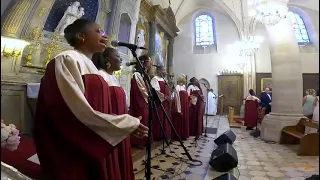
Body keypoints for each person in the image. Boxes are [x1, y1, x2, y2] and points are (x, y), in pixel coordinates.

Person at [34, 19, 148, 180]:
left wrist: (120, 125)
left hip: (93, 136)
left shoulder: (91, 66)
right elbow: (72, 109)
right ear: (81, 36)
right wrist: (123, 124)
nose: (106, 35)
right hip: (75, 144)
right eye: (99, 31)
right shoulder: (67, 59)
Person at [92, 47, 140, 180]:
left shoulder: (113, 77)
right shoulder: (101, 76)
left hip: (121, 125)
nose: (121, 59)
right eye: (118, 57)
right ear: (107, 60)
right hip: (112, 127)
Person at [129, 55, 152, 148]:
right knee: (141, 119)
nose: (150, 64)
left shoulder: (143, 75)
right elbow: (139, 90)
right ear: (143, 63)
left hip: (144, 101)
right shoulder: (137, 75)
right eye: (149, 62)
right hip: (139, 102)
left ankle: (145, 141)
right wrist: (148, 97)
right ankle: (139, 142)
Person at [150, 66, 171, 141]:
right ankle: (158, 135)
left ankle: (165, 134)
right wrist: (164, 97)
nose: (166, 72)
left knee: (165, 118)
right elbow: (156, 91)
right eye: (164, 70)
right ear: (159, 71)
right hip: (159, 103)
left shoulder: (164, 79)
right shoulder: (154, 79)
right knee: (159, 118)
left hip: (165, 103)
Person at [171, 74, 190, 140]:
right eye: (184, 78)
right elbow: (175, 97)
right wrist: (178, 108)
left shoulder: (184, 87)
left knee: (184, 120)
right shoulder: (177, 87)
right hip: (180, 106)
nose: (185, 79)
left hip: (185, 106)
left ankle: (183, 135)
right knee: (179, 120)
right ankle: (178, 135)